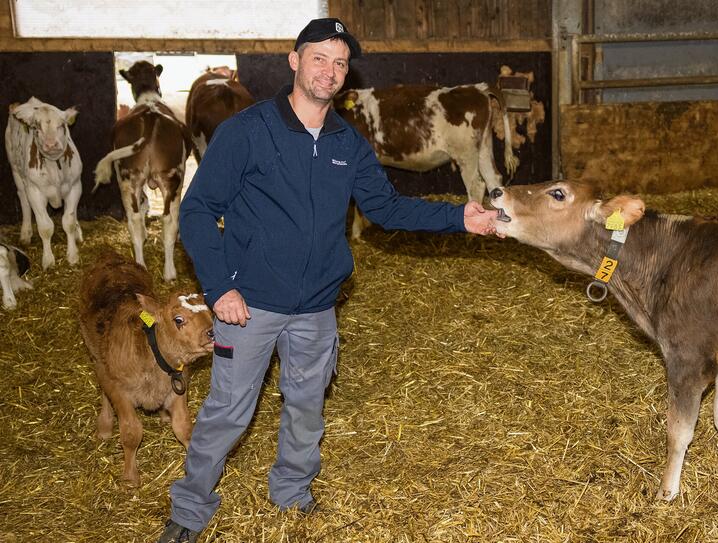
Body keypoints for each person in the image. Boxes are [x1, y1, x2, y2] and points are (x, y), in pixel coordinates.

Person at [157, 18, 497, 543]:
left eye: (340, 63)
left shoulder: (348, 141)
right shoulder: (247, 132)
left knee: (307, 408)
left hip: (317, 307)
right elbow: (198, 210)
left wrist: (458, 218)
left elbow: (385, 207)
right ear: (295, 61)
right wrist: (221, 286)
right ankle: (189, 510)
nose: (330, 71)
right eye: (320, 58)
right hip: (247, 306)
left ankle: (292, 493)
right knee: (226, 413)